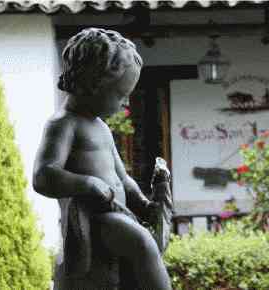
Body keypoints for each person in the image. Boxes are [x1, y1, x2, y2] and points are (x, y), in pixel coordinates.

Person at [33, 28, 172, 290]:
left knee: (137, 252)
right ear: (91, 83)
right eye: (121, 94)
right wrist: (87, 184)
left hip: (119, 214)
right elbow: (44, 176)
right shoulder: (63, 124)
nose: (126, 102)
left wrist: (143, 202)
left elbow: (122, 177)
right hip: (93, 220)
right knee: (141, 242)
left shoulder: (102, 127)